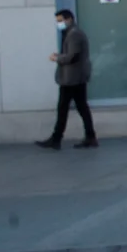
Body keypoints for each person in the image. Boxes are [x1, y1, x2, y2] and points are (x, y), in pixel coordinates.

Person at [37, 9, 98, 150]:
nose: (59, 24)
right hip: (75, 77)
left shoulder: (74, 34)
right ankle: (90, 136)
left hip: (72, 78)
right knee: (81, 107)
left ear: (69, 19)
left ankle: (57, 138)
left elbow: (72, 57)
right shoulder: (72, 33)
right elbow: (72, 54)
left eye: (60, 20)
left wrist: (56, 58)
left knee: (64, 107)